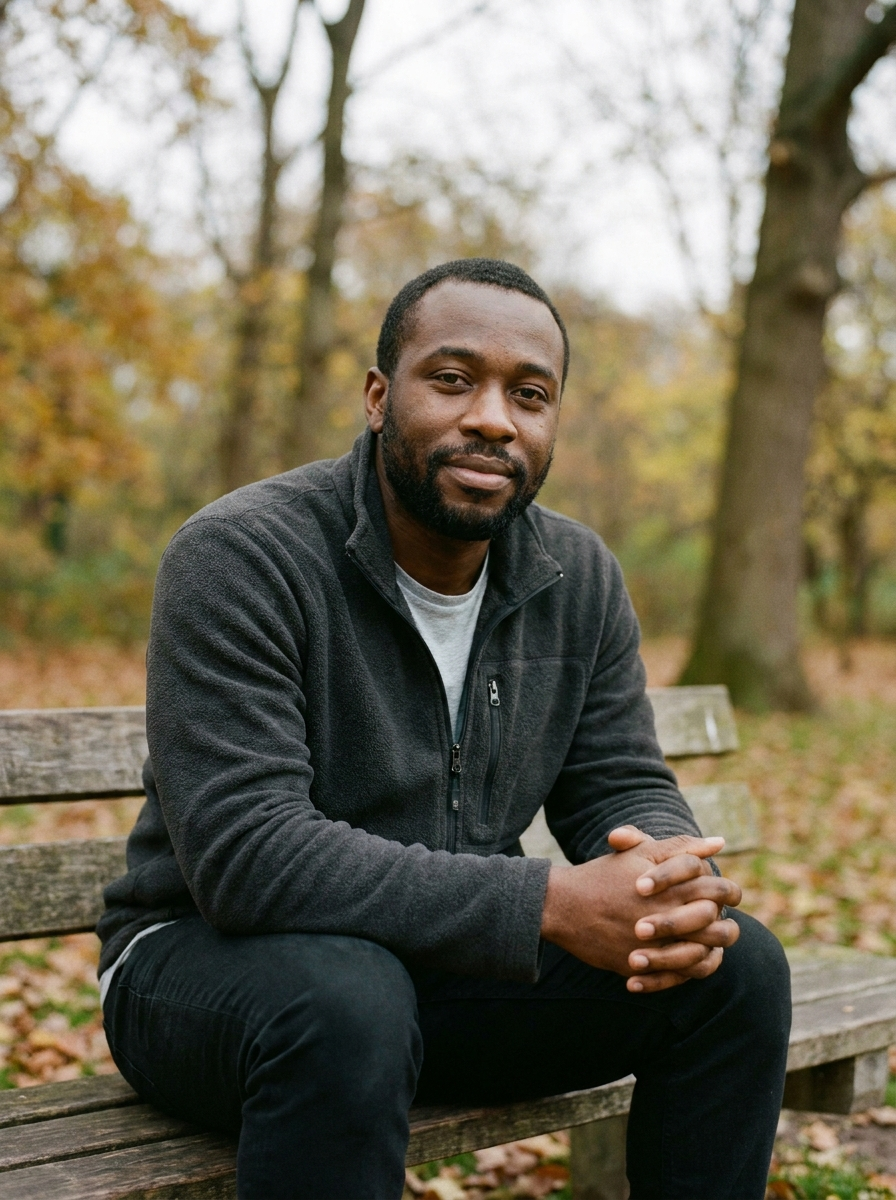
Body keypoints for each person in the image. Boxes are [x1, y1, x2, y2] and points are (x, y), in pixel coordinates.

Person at [98, 258, 791, 1200]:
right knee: (349, 1001)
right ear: (380, 397)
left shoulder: (576, 576)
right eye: (454, 380)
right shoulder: (242, 556)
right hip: (209, 973)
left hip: (445, 977)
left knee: (733, 972)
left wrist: (668, 877)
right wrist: (548, 903)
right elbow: (247, 857)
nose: (494, 418)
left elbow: (616, 777)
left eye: (530, 394)